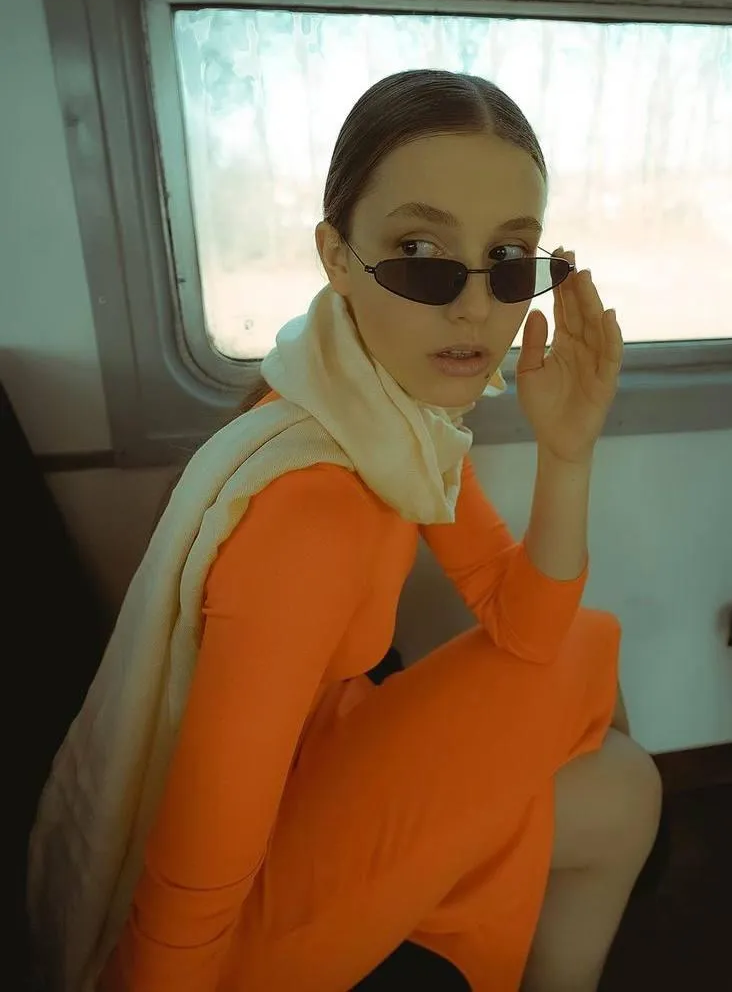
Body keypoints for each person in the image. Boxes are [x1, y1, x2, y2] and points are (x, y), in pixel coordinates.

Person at [37, 69, 662, 992]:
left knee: (610, 744)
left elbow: (523, 619)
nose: (475, 306)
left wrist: (567, 451)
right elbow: (197, 874)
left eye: (509, 257)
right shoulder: (313, 515)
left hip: (315, 764)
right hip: (253, 905)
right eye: (420, 250)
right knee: (608, 734)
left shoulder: (386, 412)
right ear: (336, 256)